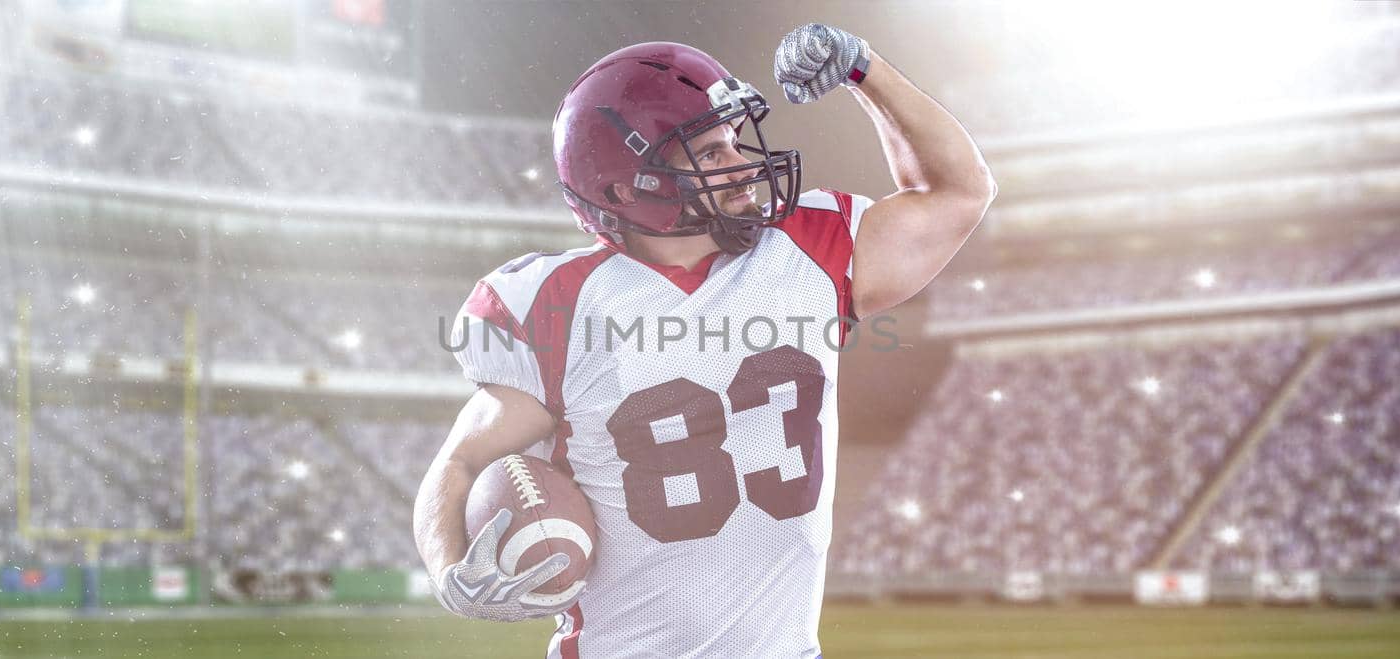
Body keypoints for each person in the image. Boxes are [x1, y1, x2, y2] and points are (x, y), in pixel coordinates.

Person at [414, 23, 995, 658]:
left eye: (735, 141)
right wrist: (450, 574)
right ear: (626, 186)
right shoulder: (556, 303)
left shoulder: (809, 249)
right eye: (710, 154)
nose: (744, 163)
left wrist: (865, 70)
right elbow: (462, 461)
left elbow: (959, 191)